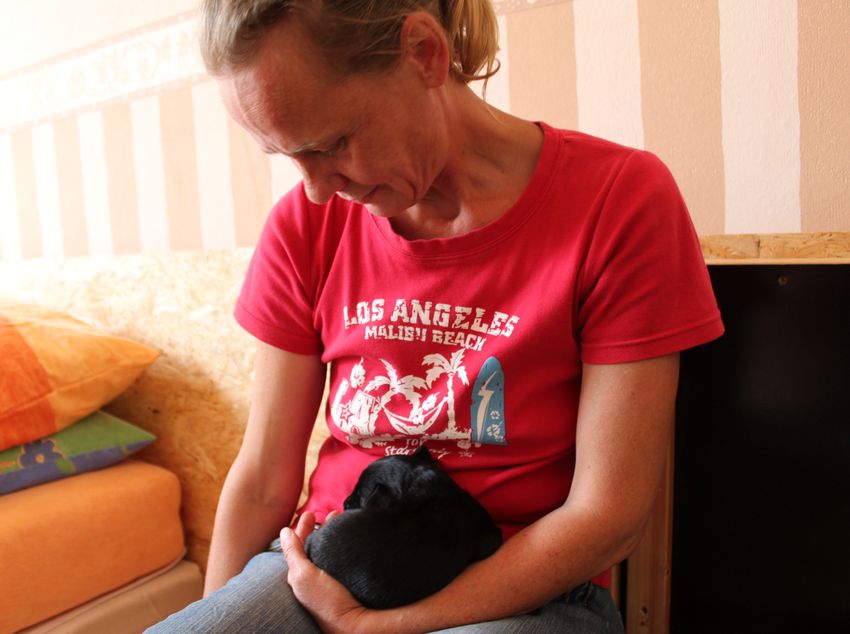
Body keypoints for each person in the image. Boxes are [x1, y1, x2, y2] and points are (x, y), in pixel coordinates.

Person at [148, 0, 723, 632]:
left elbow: (607, 516)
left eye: (334, 143)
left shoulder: (619, 200)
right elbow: (262, 481)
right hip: (323, 567)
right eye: (288, 155)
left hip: (527, 593)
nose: (314, 188)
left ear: (424, 53)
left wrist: (372, 627)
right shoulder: (305, 224)